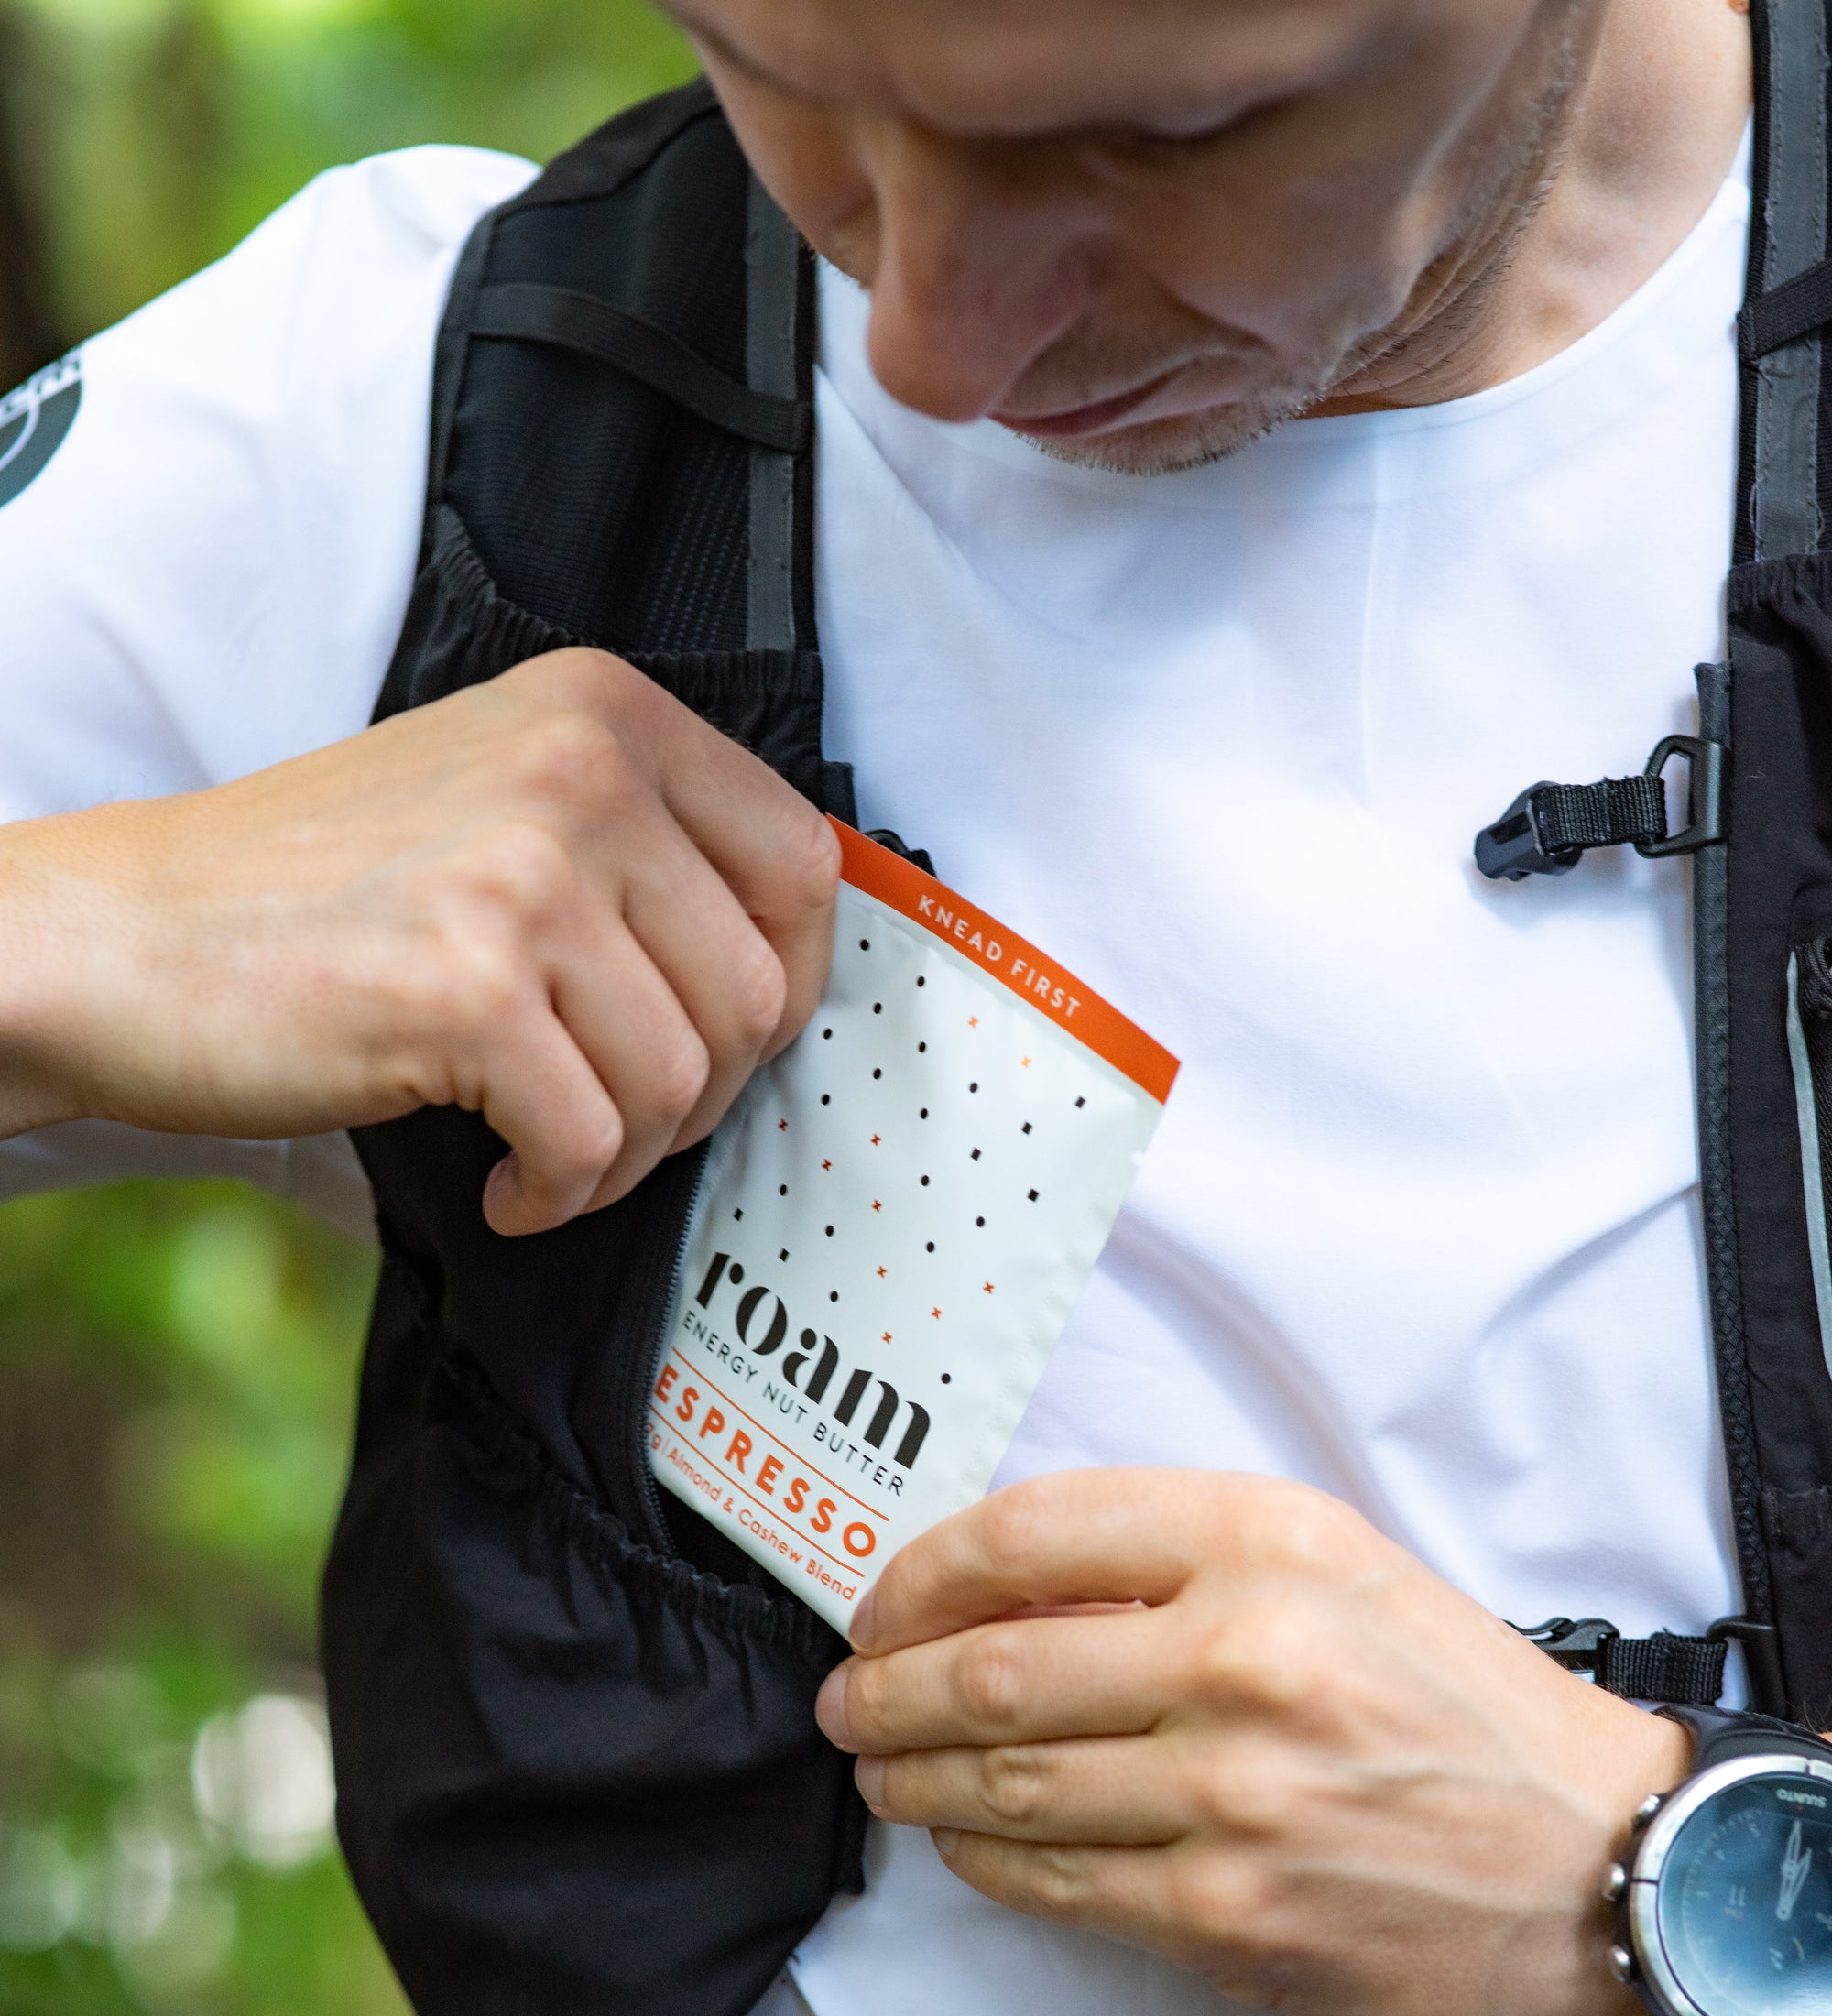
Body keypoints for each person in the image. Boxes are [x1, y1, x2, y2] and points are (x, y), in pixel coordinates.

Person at [0, 0, 1788, 2011]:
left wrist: (1678, 1884)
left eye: (1162, 135)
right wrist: (91, 925)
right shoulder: (460, 412)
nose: (929, 345)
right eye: (784, 82)